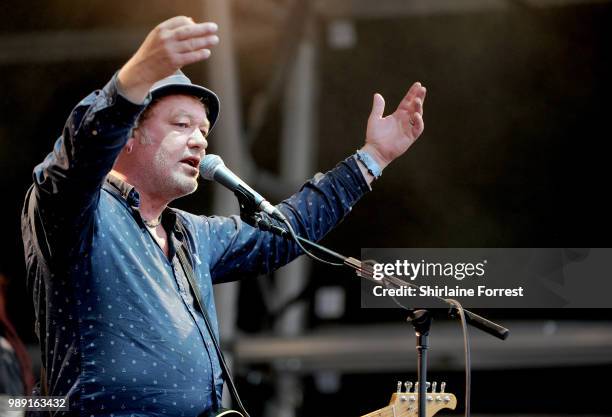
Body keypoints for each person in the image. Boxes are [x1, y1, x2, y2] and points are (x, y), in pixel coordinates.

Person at [21, 16, 426, 417]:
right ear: (127, 134)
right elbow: (74, 162)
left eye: (205, 131)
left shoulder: (189, 235)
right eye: (182, 125)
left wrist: (372, 158)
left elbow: (285, 233)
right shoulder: (79, 211)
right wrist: (136, 76)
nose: (199, 139)